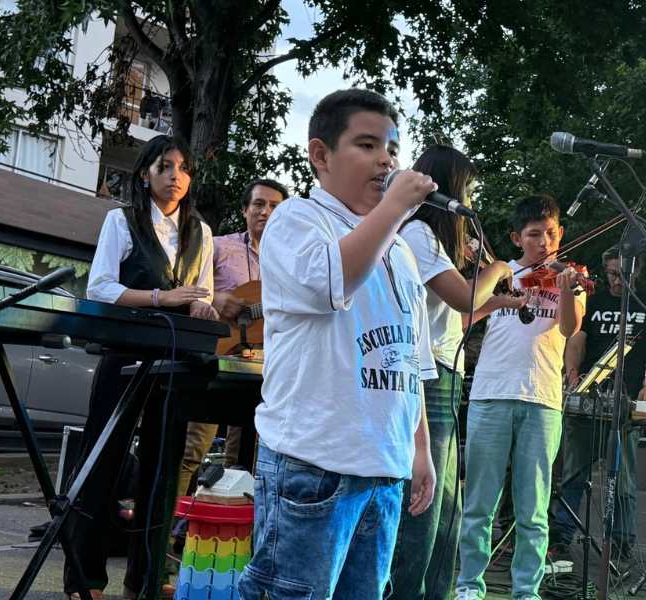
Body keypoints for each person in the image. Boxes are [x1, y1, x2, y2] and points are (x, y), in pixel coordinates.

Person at [236, 89, 438, 599]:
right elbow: (331, 283)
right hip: (314, 465)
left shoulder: (400, 250)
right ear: (321, 155)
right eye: (366, 145)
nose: (386, 160)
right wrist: (393, 207)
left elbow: (409, 358)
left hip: (383, 468)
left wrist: (421, 449)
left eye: (390, 147)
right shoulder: (298, 220)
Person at [66, 134, 217, 600]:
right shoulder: (122, 221)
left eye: (183, 168)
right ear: (145, 174)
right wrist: (160, 297)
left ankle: (147, 577)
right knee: (103, 462)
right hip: (125, 354)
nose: (175, 176)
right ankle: (85, 577)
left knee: (163, 468)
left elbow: (203, 293)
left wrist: (202, 308)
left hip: (175, 364)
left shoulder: (202, 233)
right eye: (165, 167)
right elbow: (101, 288)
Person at [388, 145, 515, 600]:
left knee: (448, 506)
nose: (473, 201)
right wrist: (499, 268)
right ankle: (412, 592)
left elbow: (457, 317)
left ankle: (434, 592)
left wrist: (498, 300)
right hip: (431, 376)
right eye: (471, 189)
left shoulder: (434, 241)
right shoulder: (420, 232)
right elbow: (464, 297)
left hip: (447, 371)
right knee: (428, 503)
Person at [455, 195, 586, 600]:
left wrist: (565, 290)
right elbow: (463, 318)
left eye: (550, 233)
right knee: (479, 503)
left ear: (560, 233)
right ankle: (468, 585)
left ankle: (526, 591)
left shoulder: (572, 276)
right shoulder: (499, 273)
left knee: (534, 508)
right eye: (534, 235)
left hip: (543, 398)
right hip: (491, 393)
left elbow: (569, 328)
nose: (543, 242)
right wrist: (498, 296)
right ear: (516, 238)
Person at [549, 246, 646, 574]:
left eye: (623, 274)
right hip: (590, 396)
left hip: (626, 401)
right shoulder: (597, 300)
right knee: (574, 472)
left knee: (624, 478)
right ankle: (561, 536)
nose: (617, 281)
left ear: (637, 271)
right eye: (612, 274)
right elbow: (576, 339)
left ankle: (621, 541)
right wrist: (572, 372)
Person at [176, 177, 289, 498]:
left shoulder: (289, 263)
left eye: (274, 207)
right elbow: (184, 289)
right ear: (244, 209)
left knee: (244, 460)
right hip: (217, 362)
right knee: (192, 449)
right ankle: (166, 535)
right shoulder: (220, 246)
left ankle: (224, 535)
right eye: (259, 204)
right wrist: (214, 299)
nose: (266, 212)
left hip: (262, 372)